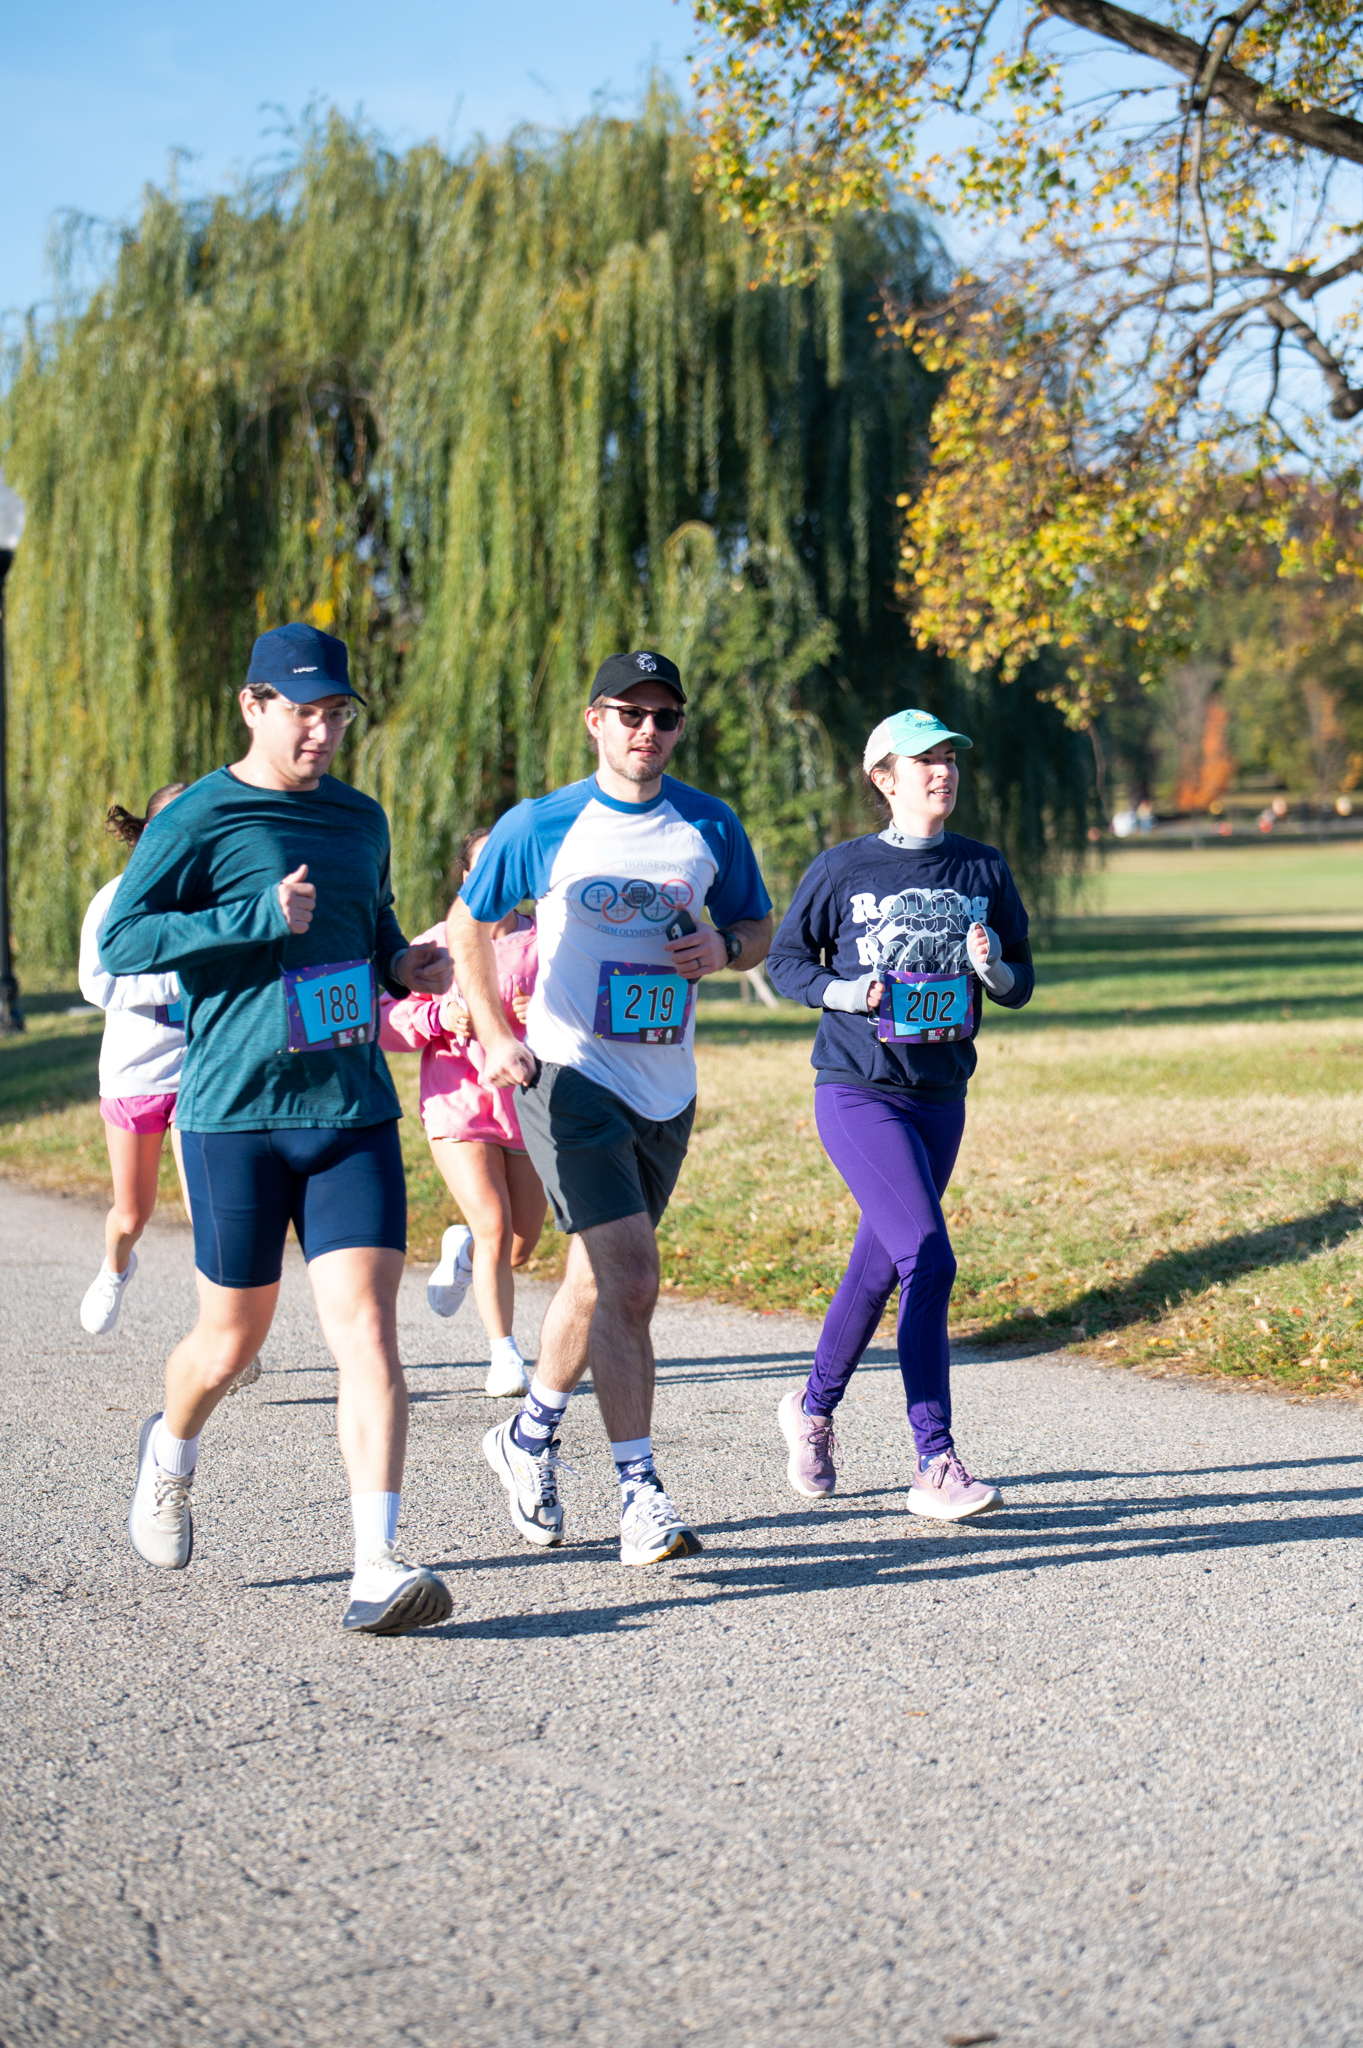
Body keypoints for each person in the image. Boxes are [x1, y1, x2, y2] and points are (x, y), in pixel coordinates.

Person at [100, 621, 457, 1635]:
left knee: (370, 1335)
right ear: (254, 706)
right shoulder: (203, 813)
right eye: (302, 711)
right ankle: (169, 1451)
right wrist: (253, 914)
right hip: (236, 1113)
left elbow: (373, 923)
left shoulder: (361, 816)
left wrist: (402, 966)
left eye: (336, 711)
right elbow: (128, 937)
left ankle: (376, 1564)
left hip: (348, 1109)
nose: (321, 730)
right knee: (230, 1338)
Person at [449, 649, 773, 1566]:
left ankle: (526, 1438)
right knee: (631, 1277)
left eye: (663, 717)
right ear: (594, 720)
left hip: (665, 1085)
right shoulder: (544, 823)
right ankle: (640, 1494)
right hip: (567, 1074)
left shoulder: (708, 823)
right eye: (628, 713)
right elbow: (471, 921)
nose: (646, 731)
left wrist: (723, 948)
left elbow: (758, 926)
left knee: (595, 1283)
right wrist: (494, 1029)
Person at [766, 707, 1035, 1519]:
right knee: (927, 1255)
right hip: (857, 1088)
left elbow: (1022, 980)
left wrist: (992, 973)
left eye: (949, 758)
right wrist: (848, 991)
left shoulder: (982, 868)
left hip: (940, 1095)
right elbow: (785, 962)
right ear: (883, 777)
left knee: (879, 1267)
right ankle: (935, 1461)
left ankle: (811, 1410)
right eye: (922, 761)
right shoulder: (843, 869)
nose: (941, 772)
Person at [379, 827, 546, 1398]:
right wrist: (435, 1019)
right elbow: (386, 1023)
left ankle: (465, 1249)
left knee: (519, 1245)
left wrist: (539, 1012)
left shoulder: (548, 940)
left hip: (528, 1108)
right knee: (496, 1223)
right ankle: (505, 1355)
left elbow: (585, 1011)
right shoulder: (438, 944)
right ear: (466, 877)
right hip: (458, 1106)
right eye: (484, 868)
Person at [77, 785, 192, 1334]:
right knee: (132, 1215)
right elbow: (95, 981)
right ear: (148, 836)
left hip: (202, 1075)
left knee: (210, 1218)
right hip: (134, 1075)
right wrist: (176, 983)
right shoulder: (115, 899)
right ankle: (115, 1268)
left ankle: (228, 1331)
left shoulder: (217, 897)